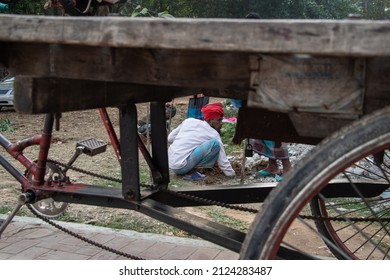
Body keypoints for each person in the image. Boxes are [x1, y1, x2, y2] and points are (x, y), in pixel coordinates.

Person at [168, 102, 235, 181]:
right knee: (215, 144)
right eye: (219, 120)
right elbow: (223, 162)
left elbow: (170, 138)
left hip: (169, 162)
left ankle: (189, 168)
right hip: (181, 167)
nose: (221, 124)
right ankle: (191, 173)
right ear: (210, 120)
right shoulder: (214, 134)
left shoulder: (189, 121)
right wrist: (232, 175)